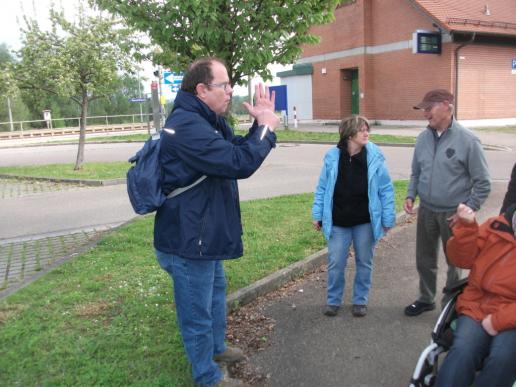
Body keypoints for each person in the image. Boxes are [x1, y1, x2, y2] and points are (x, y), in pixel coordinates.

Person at [154, 57, 279, 386]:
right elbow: (238, 162)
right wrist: (266, 127)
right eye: (224, 85)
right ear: (201, 89)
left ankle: (217, 349)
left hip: (201, 233)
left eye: (229, 84)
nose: (230, 91)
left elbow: (235, 148)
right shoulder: (186, 126)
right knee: (196, 310)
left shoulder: (207, 120)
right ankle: (208, 377)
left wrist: (257, 127)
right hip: (187, 238)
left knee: (213, 294)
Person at [404, 89, 491, 316]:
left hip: (453, 214)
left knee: (455, 262)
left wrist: (467, 209)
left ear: (446, 105)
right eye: (423, 109)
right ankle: (426, 298)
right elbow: (416, 172)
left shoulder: (468, 141)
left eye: (428, 108)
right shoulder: (423, 138)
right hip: (427, 211)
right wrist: (410, 195)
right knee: (424, 259)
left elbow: (483, 183)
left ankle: (452, 305)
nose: (425, 114)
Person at [312, 115, 396, 317]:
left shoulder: (374, 156)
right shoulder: (333, 157)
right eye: (362, 130)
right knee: (335, 263)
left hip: (364, 221)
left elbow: (386, 189)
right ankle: (333, 301)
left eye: (368, 129)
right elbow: (322, 188)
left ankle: (360, 301)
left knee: (365, 262)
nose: (367, 133)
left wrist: (387, 217)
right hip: (338, 221)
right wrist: (317, 214)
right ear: (349, 134)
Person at [434, 203, 516, 387]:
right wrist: (467, 228)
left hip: (512, 315)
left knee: (503, 359)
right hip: (476, 305)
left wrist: (498, 321)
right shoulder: (496, 225)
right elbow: (461, 260)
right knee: (463, 350)